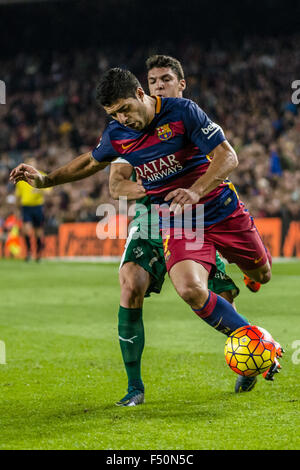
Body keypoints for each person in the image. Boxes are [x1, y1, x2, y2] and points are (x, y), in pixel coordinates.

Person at [10, 68, 283, 404]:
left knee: (263, 274)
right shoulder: (117, 134)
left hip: (219, 208)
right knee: (189, 289)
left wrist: (195, 191)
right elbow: (90, 164)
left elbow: (229, 156)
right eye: (114, 114)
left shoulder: (182, 112)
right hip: (179, 219)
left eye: (125, 108)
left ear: (140, 93)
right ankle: (258, 345)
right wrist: (47, 180)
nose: (122, 118)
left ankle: (250, 279)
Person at [109, 55, 241, 406]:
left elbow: (223, 159)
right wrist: (152, 189)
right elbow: (116, 184)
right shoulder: (128, 128)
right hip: (152, 216)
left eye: (165, 80)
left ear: (181, 84)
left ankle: (248, 352)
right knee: (130, 282)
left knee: (215, 294)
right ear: (143, 89)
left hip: (193, 215)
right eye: (152, 82)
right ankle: (134, 387)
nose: (158, 86)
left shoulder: (187, 116)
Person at [15, 158, 48, 262]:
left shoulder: (41, 175)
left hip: (38, 207)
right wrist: (17, 208)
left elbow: (49, 192)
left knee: (38, 231)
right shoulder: (21, 178)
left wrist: (39, 190)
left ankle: (38, 253)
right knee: (26, 230)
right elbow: (18, 196)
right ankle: (29, 252)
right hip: (26, 207)